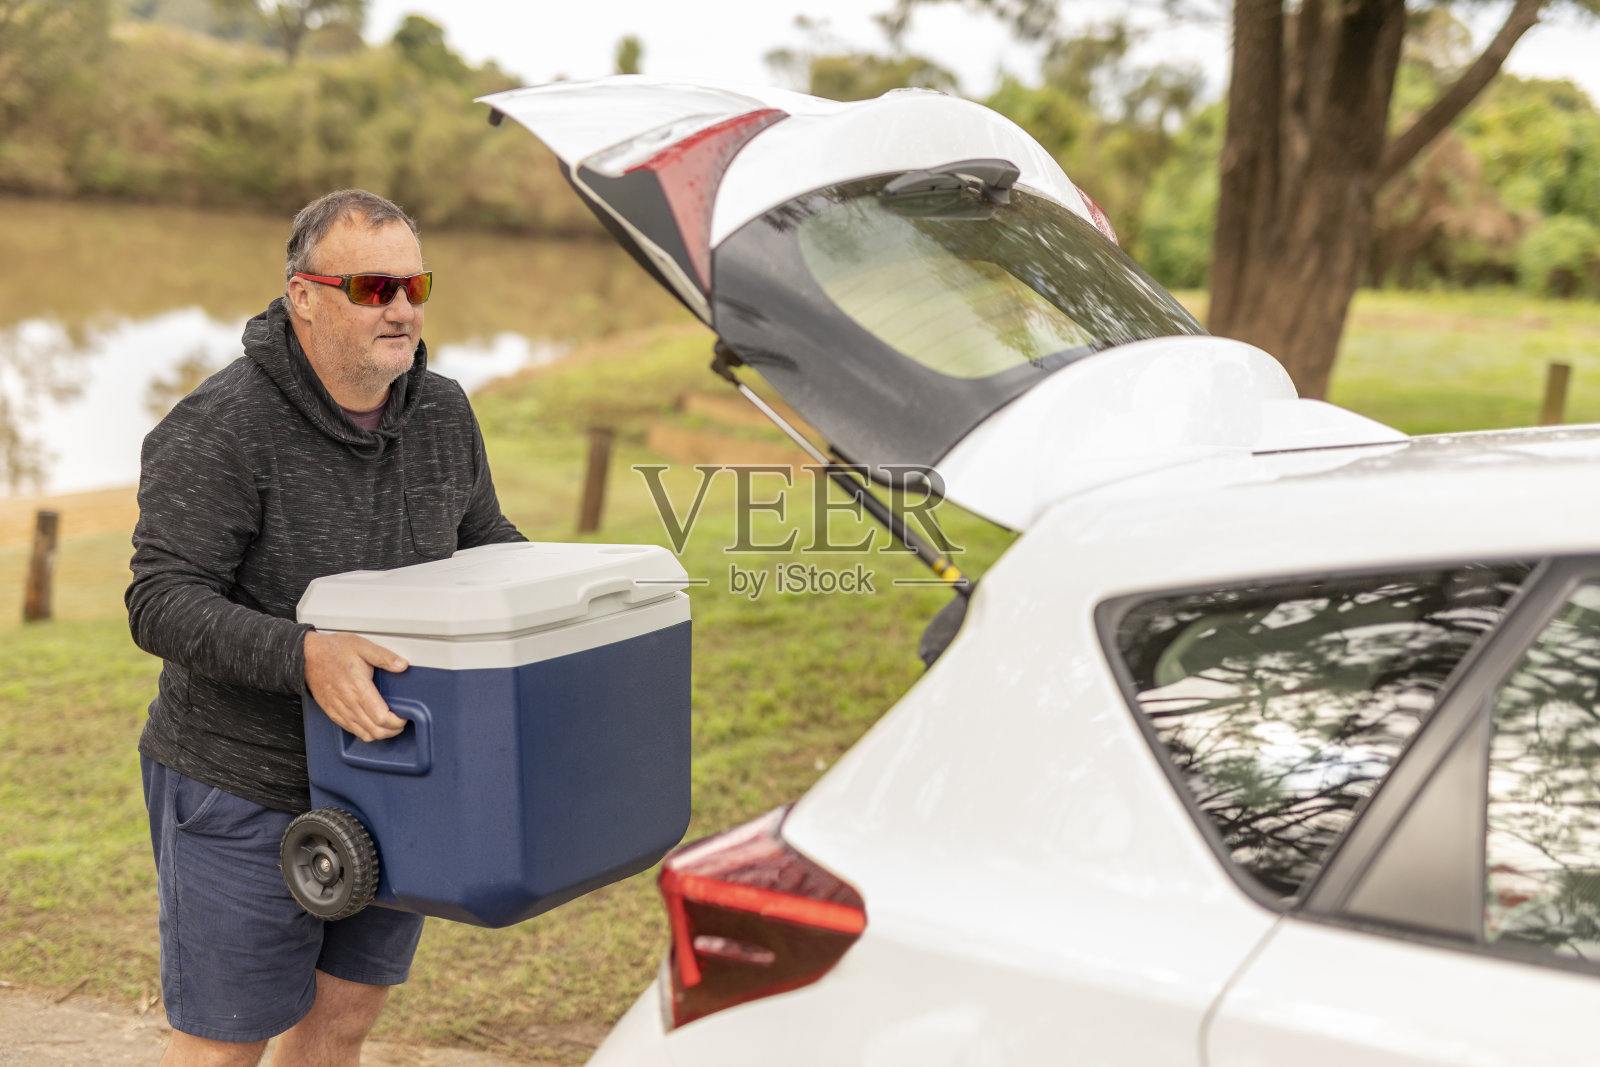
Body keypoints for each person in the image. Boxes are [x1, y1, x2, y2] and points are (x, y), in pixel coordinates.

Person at [127, 189, 525, 1066]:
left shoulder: (444, 411)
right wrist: (305, 655)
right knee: (223, 1046)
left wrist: (552, 607)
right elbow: (160, 599)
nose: (403, 308)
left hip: (395, 774)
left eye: (415, 285)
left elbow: (484, 542)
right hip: (241, 780)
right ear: (303, 296)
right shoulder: (220, 428)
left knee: (341, 1022)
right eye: (374, 288)